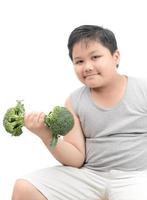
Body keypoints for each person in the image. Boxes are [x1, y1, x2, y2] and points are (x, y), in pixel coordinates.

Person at [12, 25, 147, 200]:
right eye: (79, 61)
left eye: (95, 57)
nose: (88, 67)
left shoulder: (142, 89)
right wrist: (46, 135)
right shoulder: (74, 101)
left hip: (136, 176)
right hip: (90, 176)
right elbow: (76, 159)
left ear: (116, 57)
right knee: (24, 187)